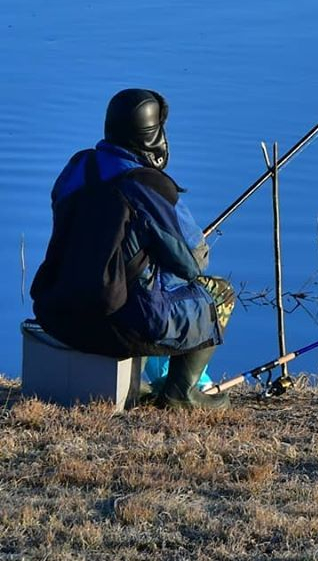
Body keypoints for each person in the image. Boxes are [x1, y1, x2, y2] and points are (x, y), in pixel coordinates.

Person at [31, 88, 235, 411]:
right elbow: (194, 262)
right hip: (117, 326)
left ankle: (147, 381)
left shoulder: (76, 169)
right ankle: (180, 393)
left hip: (58, 314)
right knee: (219, 294)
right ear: (152, 135)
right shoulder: (147, 184)